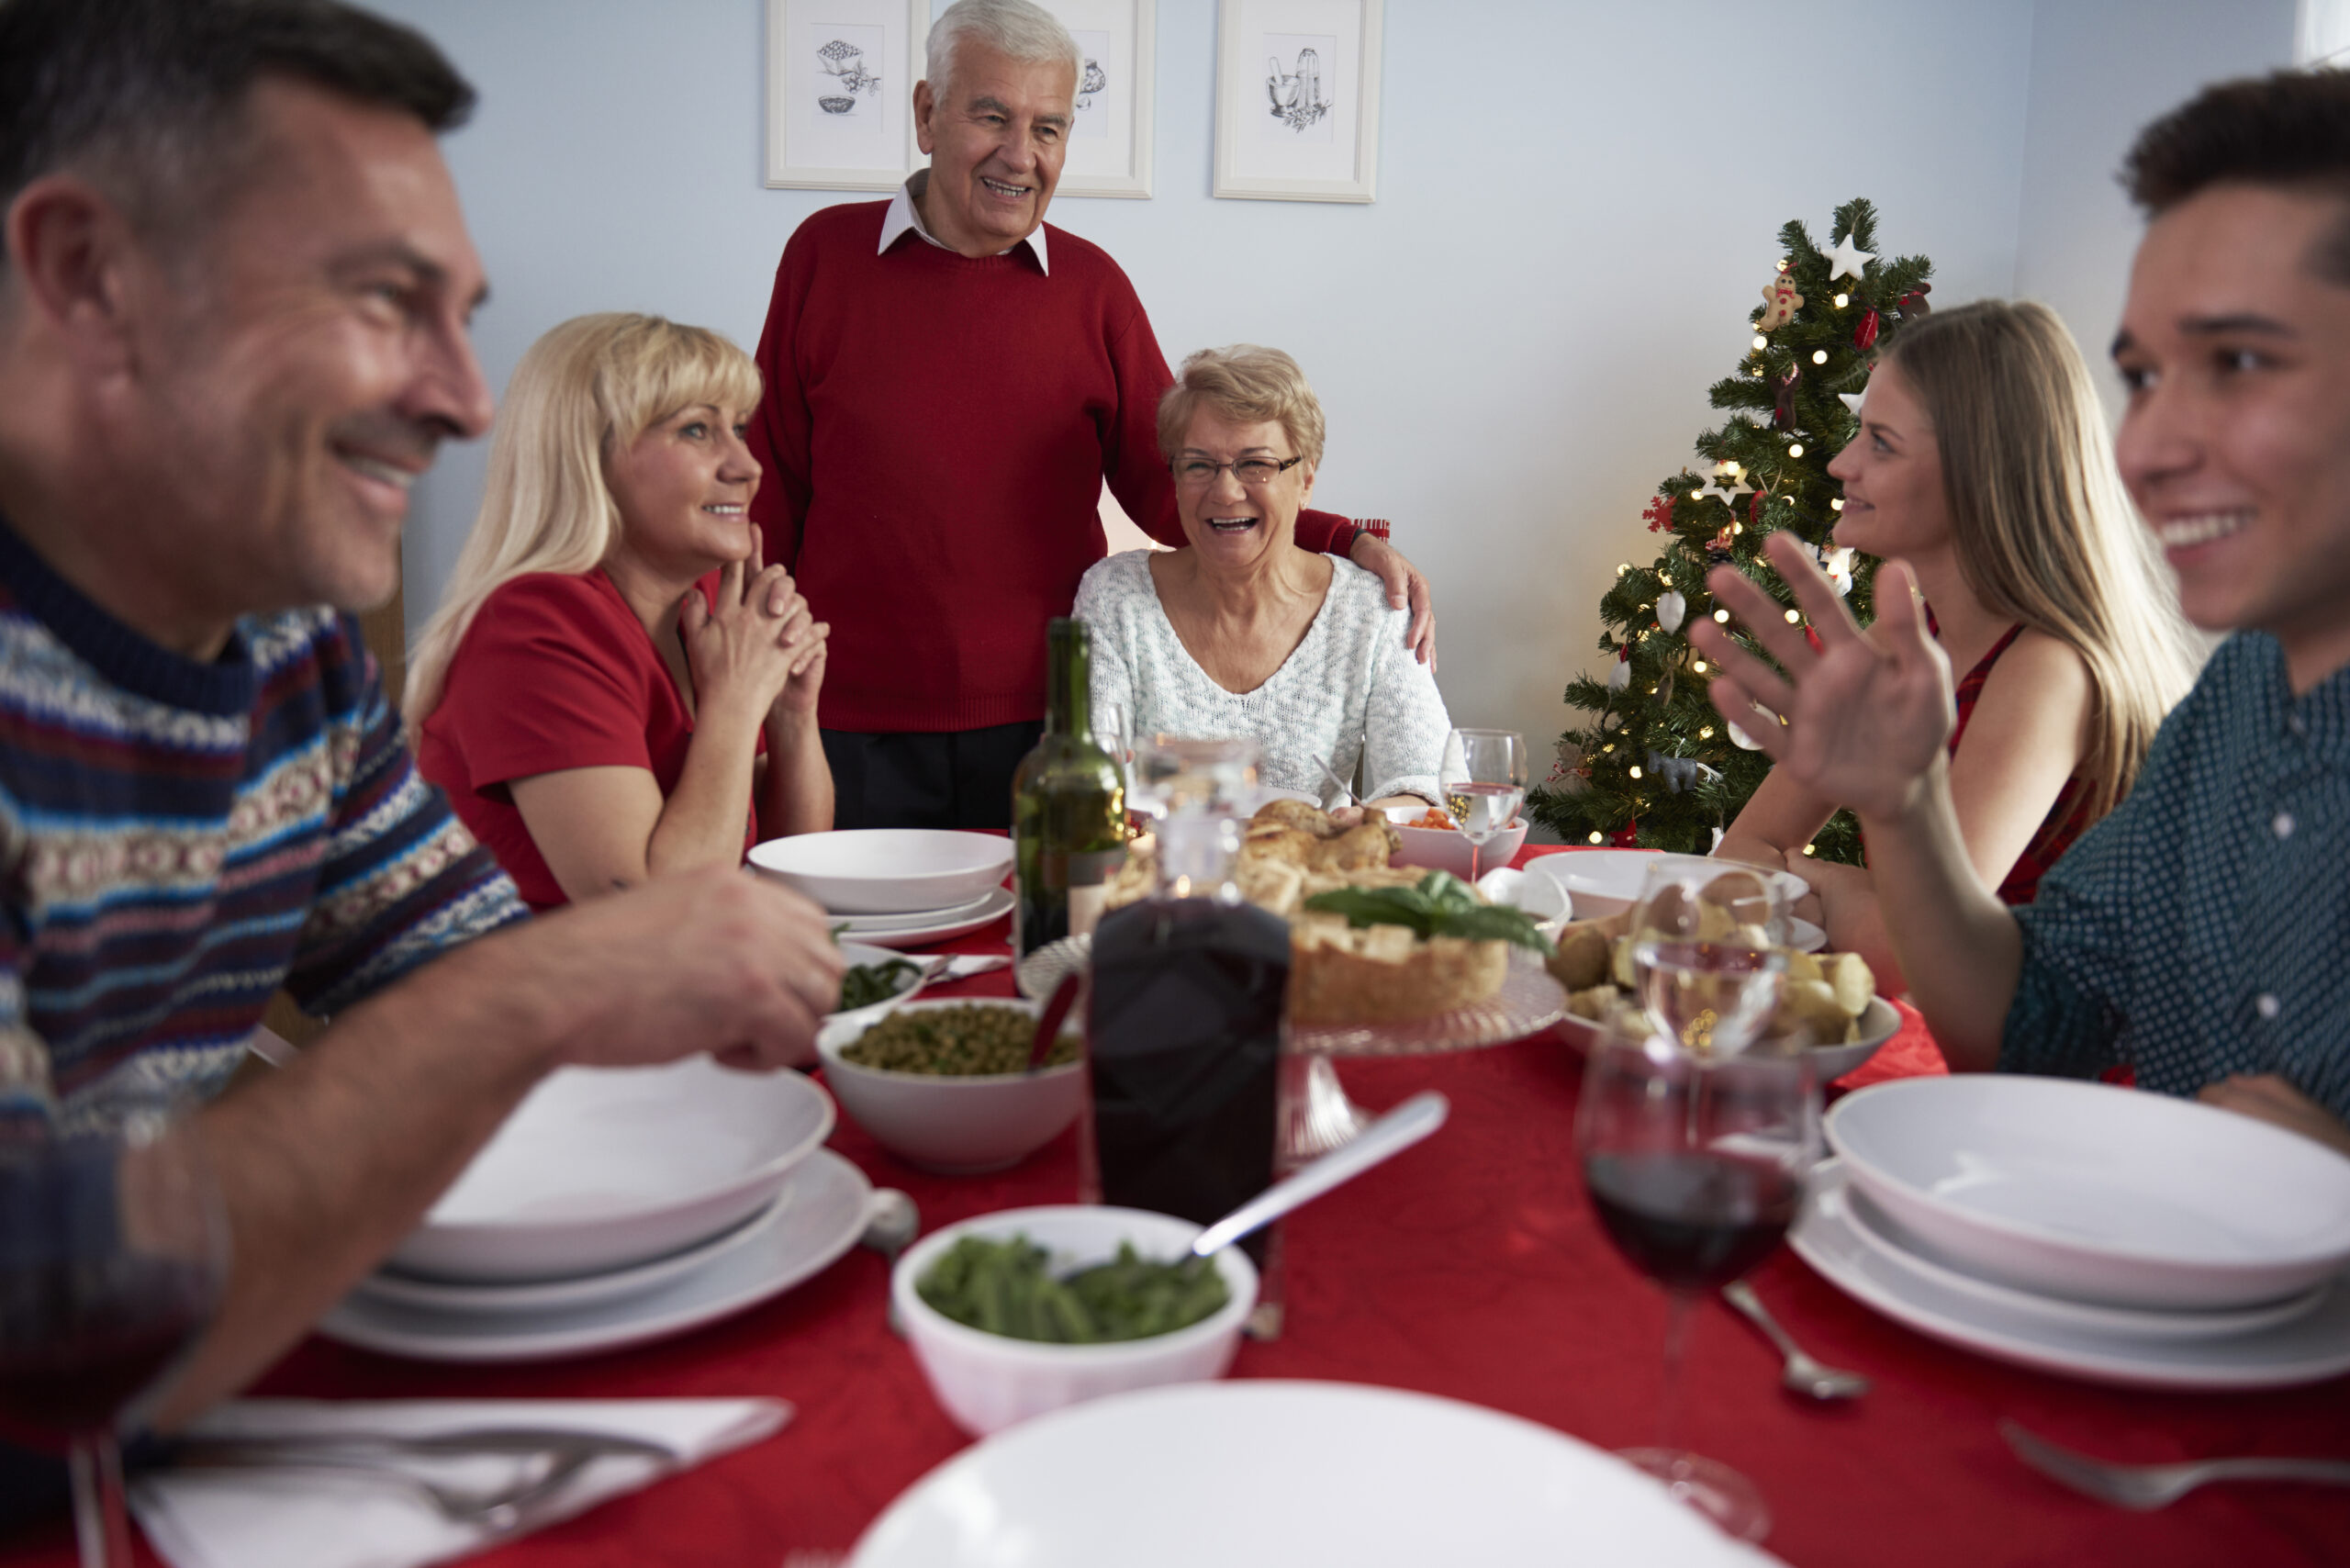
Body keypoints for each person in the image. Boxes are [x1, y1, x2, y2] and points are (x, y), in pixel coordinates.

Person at [0, 0, 843, 1456]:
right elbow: (28, 1327)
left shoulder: (289, 660)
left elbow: (459, 980)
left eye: (459, 316)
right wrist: (551, 990)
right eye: (384, 301)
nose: (461, 400)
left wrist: (549, 992)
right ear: (90, 278)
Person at [1691, 67, 2350, 1156]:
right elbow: (2033, 1019)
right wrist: (1902, 813)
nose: (2146, 449)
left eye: (2238, 362)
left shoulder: (2053, 664)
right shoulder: (2237, 699)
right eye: (2142, 377)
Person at [744, 0, 1437, 832]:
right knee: (847, 954)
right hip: (844, 714)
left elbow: (1174, 483)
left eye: (1048, 128)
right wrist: (745, 688)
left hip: (1045, 725)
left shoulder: (1091, 288)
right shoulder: (822, 256)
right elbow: (767, 491)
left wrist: (1340, 538)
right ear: (927, 114)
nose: (1019, 154)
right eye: (992, 116)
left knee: (1032, 948)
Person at [1715, 301, 2199, 993]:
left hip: (2071, 1088)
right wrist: (1866, 909)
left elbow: (1911, 962)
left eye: (1881, 441)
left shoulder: (2046, 668)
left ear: (1982, 471)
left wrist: (1831, 883)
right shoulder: (1901, 640)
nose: (1840, 462)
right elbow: (1741, 854)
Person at [408, 314, 832, 911]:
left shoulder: (709, 601)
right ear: (587, 457)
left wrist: (790, 712)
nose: (747, 466)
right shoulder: (532, 627)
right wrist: (737, 703)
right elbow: (654, 912)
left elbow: (795, 876)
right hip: (535, 998)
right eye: (695, 431)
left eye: (737, 428)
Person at [1076, 346, 1450, 810]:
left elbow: (1428, 782)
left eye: (1257, 464)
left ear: (1306, 480)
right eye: (1198, 464)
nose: (1227, 491)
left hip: (1314, 873)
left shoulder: (1371, 608)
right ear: (1174, 476)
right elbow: (1090, 778)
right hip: (1161, 874)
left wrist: (1364, 825)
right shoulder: (1114, 595)